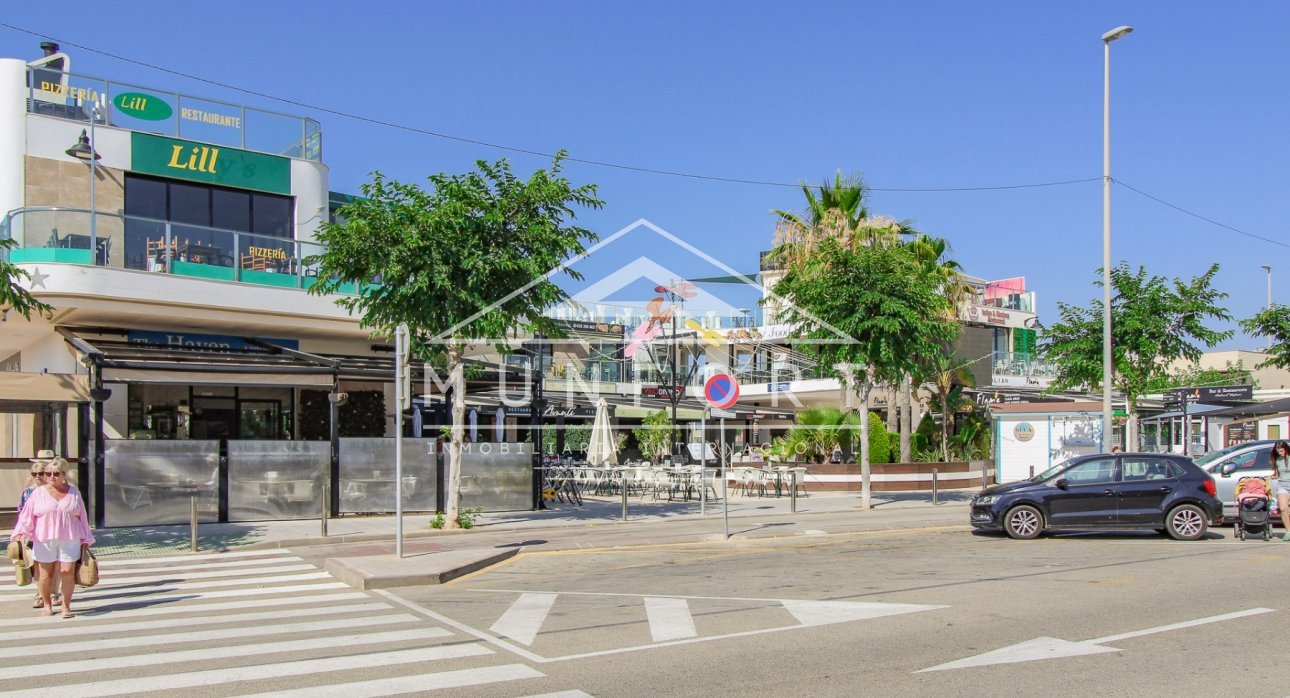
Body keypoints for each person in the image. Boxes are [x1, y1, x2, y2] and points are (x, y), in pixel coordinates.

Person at [10, 459, 94, 618]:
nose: (51, 477)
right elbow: (26, 516)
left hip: (70, 537)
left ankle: (65, 606)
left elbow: (82, 517)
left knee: (67, 571)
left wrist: (86, 539)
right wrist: (21, 535)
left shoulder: (74, 493)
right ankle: (47, 604)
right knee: (45, 574)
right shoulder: (37, 493)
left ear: (64, 475)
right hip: (44, 538)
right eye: (48, 474)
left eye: (56, 474)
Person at [17, 451, 55, 610]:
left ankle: (53, 592)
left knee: (56, 565)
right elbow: (22, 512)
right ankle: (40, 594)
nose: (38, 476)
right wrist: (20, 533)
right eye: (35, 473)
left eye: (41, 473)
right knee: (38, 565)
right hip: (36, 533)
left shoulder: (56, 488)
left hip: (53, 531)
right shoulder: (28, 491)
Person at [1270, 441, 1290, 541]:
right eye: (1278, 451)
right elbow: (1277, 473)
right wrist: (1271, 477)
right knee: (1282, 508)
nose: (1280, 453)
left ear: (1286, 449)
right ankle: (1288, 531)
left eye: (1282, 451)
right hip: (1283, 485)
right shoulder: (1277, 460)